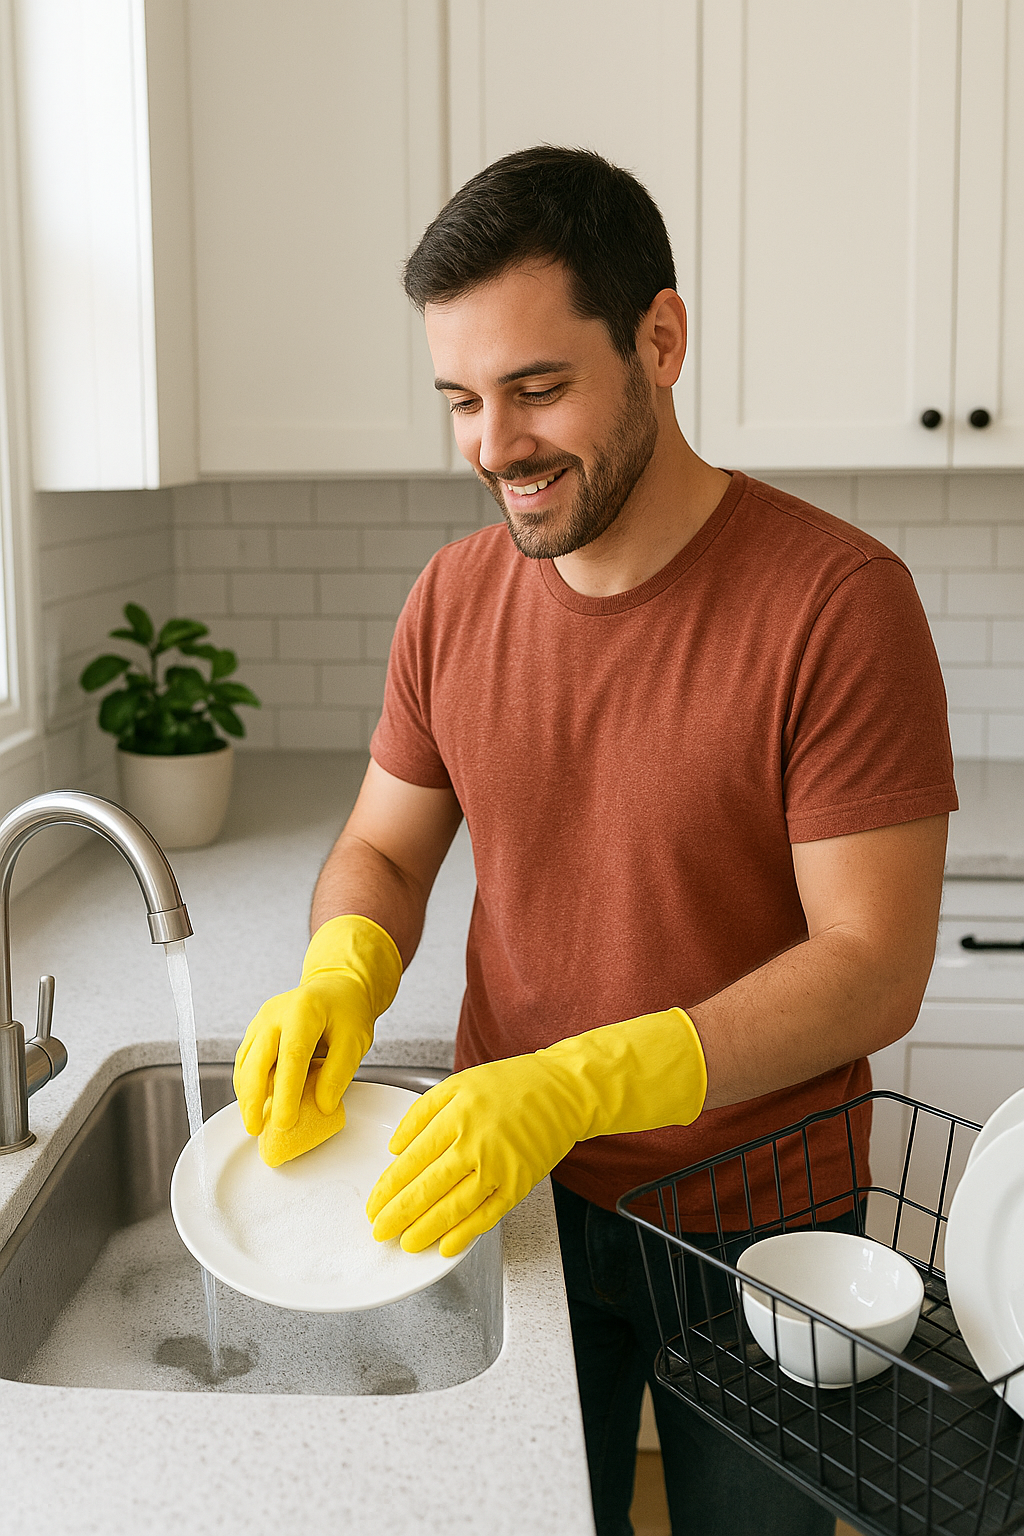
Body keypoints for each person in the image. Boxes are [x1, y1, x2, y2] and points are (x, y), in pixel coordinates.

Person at [234, 147, 957, 1535]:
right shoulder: (451, 600)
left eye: (537, 388)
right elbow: (385, 849)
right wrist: (339, 968)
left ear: (662, 342)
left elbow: (874, 966)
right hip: (508, 1206)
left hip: (758, 1225)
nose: (493, 446)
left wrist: (583, 1078)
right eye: (460, 400)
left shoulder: (836, 602)